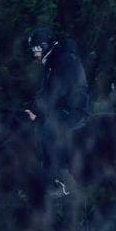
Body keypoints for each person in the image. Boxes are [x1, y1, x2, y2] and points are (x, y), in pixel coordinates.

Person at [24, 27, 90, 198]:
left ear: (45, 46)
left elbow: (57, 90)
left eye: (37, 50)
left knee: (49, 130)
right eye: (33, 51)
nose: (35, 55)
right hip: (63, 107)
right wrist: (32, 108)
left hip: (74, 109)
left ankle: (61, 178)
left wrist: (38, 111)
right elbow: (45, 90)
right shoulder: (53, 61)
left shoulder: (64, 60)